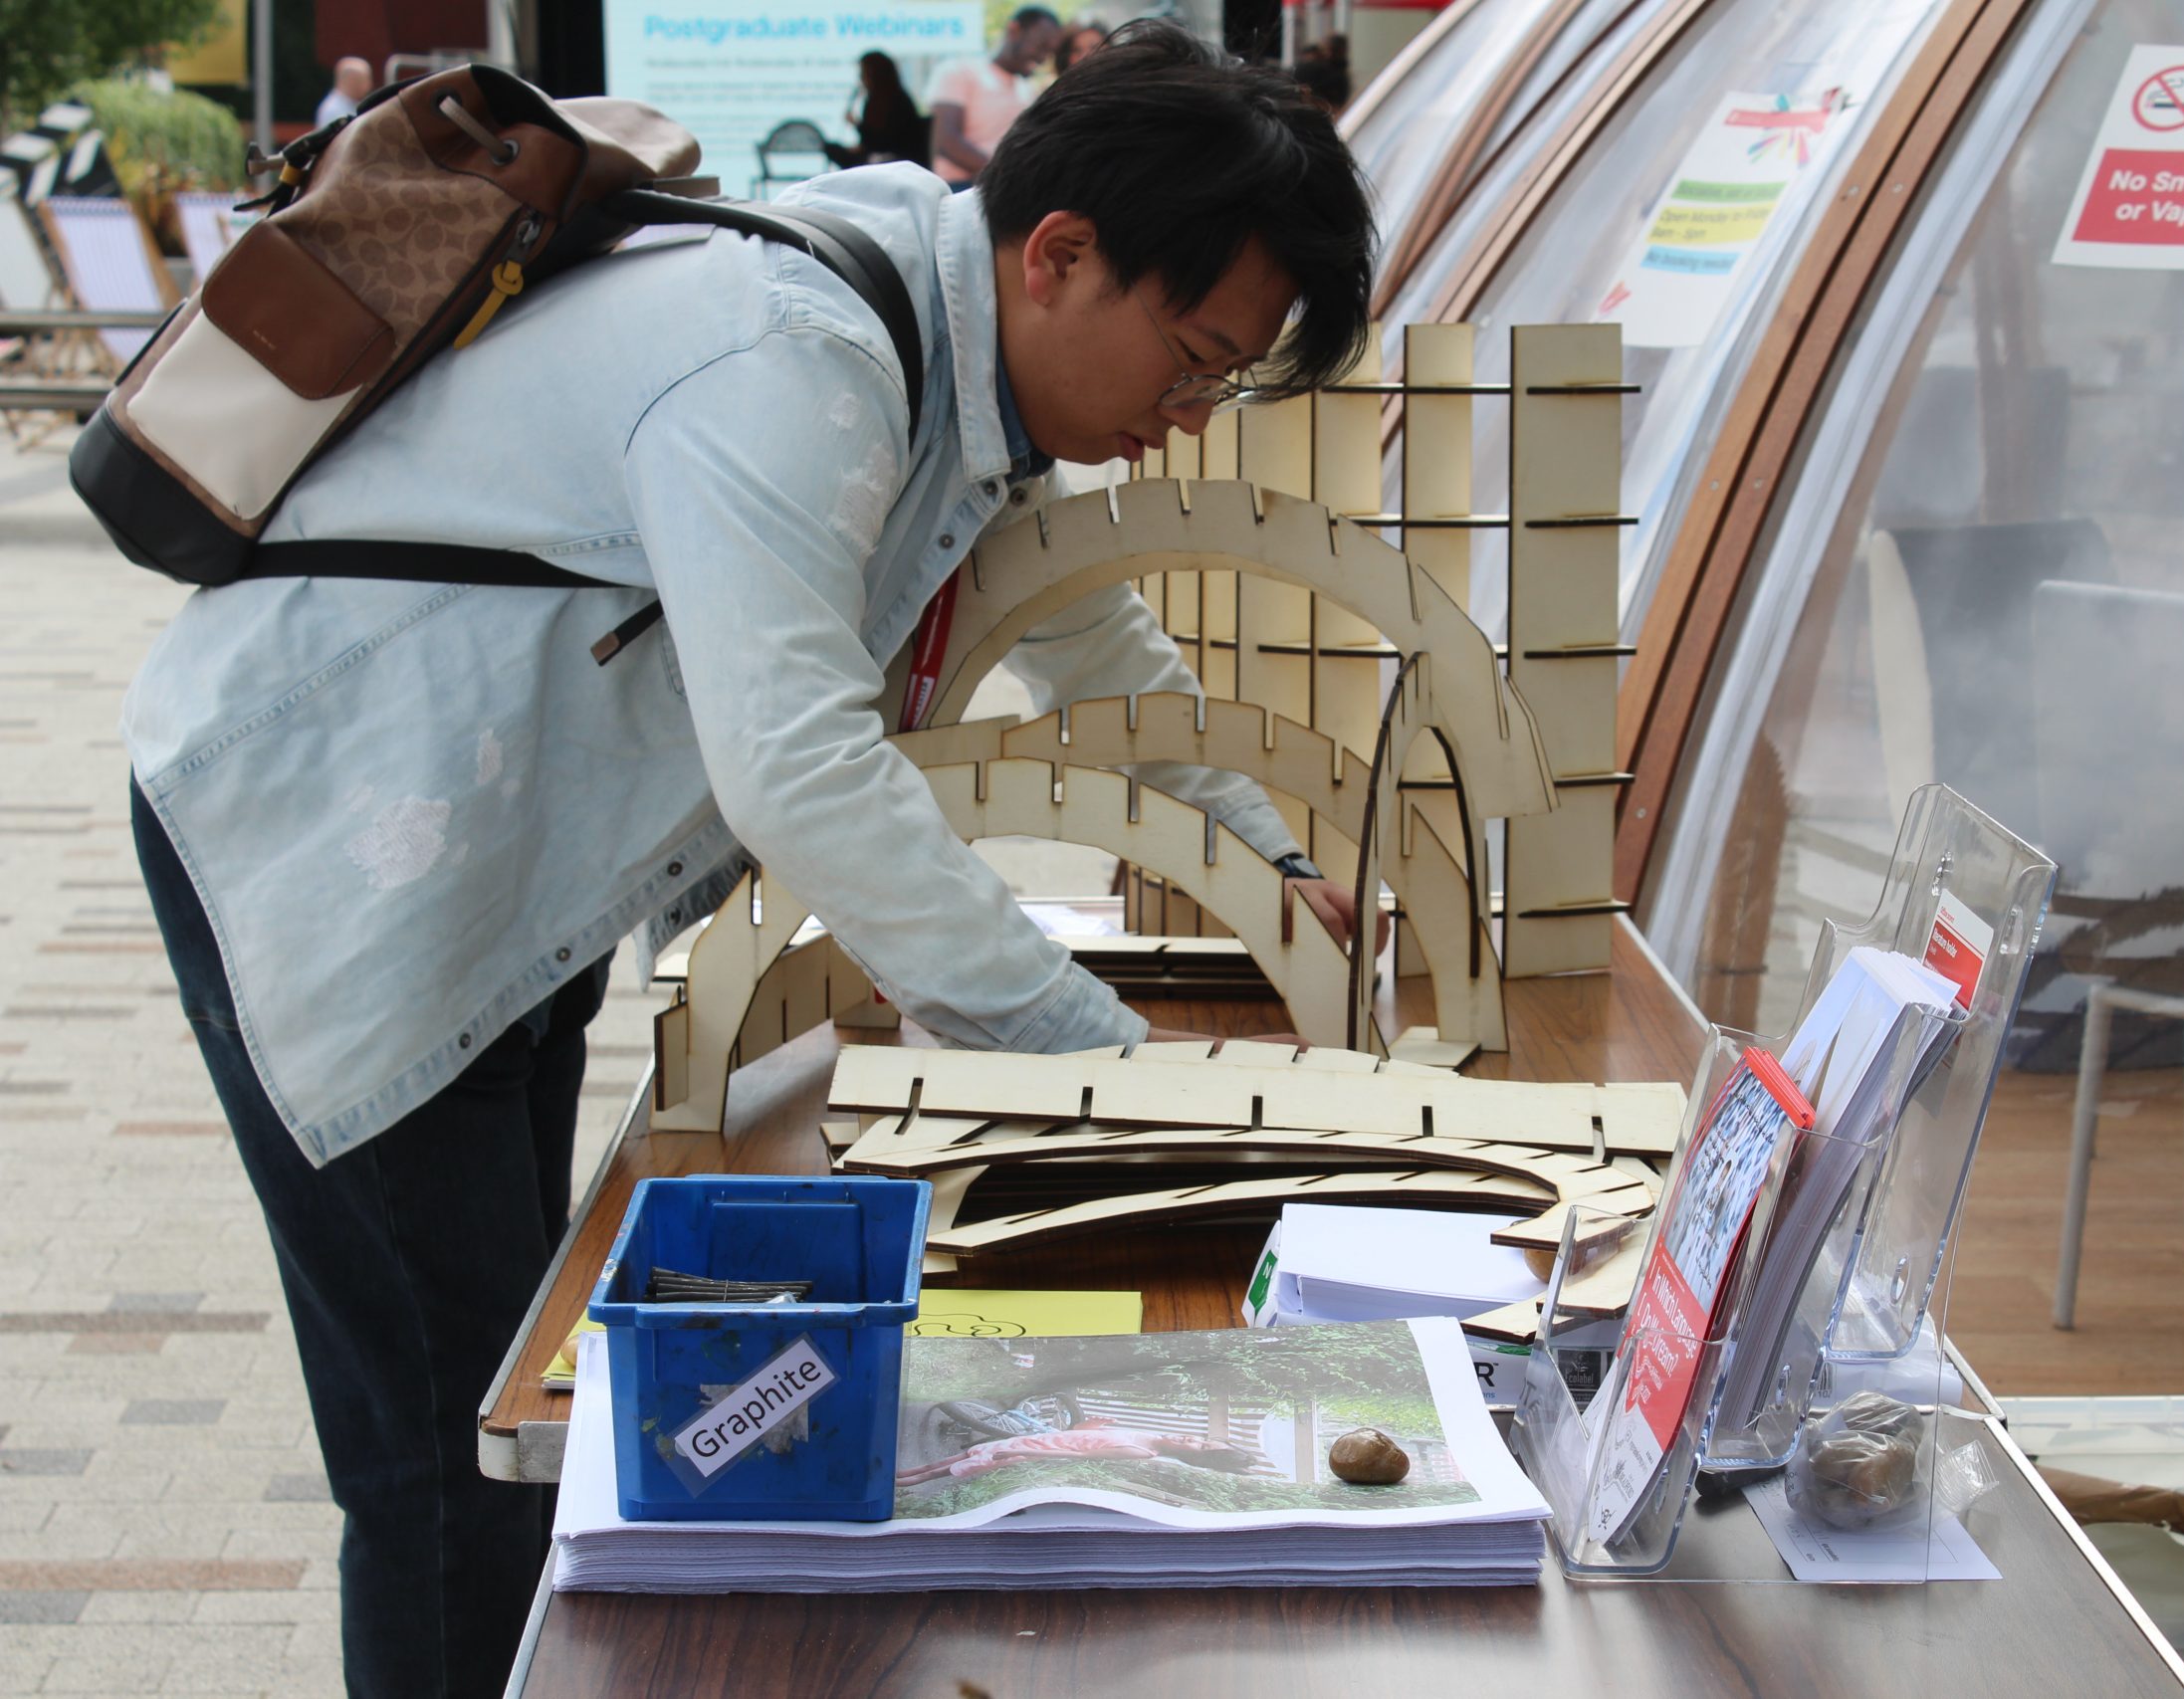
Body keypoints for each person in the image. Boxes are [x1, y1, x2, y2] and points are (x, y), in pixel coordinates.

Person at [124, 23, 1373, 1697]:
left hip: (494, 874)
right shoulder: (798, 359)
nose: (1190, 414)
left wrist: (1266, 858)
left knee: (508, 1375)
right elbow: (800, 767)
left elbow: (1100, 650)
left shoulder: (948, 355)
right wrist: (1105, 1070)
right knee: (443, 1452)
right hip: (330, 847)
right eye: (1197, 354)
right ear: (1060, 256)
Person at [927, 5, 1064, 189]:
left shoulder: (1028, 91)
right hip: (962, 190)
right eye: (1040, 45)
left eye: (1049, 52)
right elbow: (947, 141)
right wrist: (1006, 176)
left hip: (1005, 191)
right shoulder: (959, 70)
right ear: (1014, 30)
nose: (1042, 57)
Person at [898, 1424, 1263, 1485]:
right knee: (939, 1462)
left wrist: (1021, 1449)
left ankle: (897, 1487)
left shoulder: (1140, 1451)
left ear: (1195, 1459)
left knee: (939, 1473)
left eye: (1199, 1446)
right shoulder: (1146, 1433)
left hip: (1027, 1452)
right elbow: (1082, 1441)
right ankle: (894, 1477)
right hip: (1032, 1439)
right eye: (1202, 1436)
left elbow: (1077, 1458)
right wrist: (1090, 1426)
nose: (1191, 1438)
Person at [841, 50, 931, 167]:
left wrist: (857, 125)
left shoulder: (898, 101)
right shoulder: (873, 101)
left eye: (863, 73)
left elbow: (884, 142)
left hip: (897, 160)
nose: (861, 79)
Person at [314, 55, 373, 126]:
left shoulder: (353, 103)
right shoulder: (333, 110)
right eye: (362, 80)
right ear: (350, 80)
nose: (369, 85)